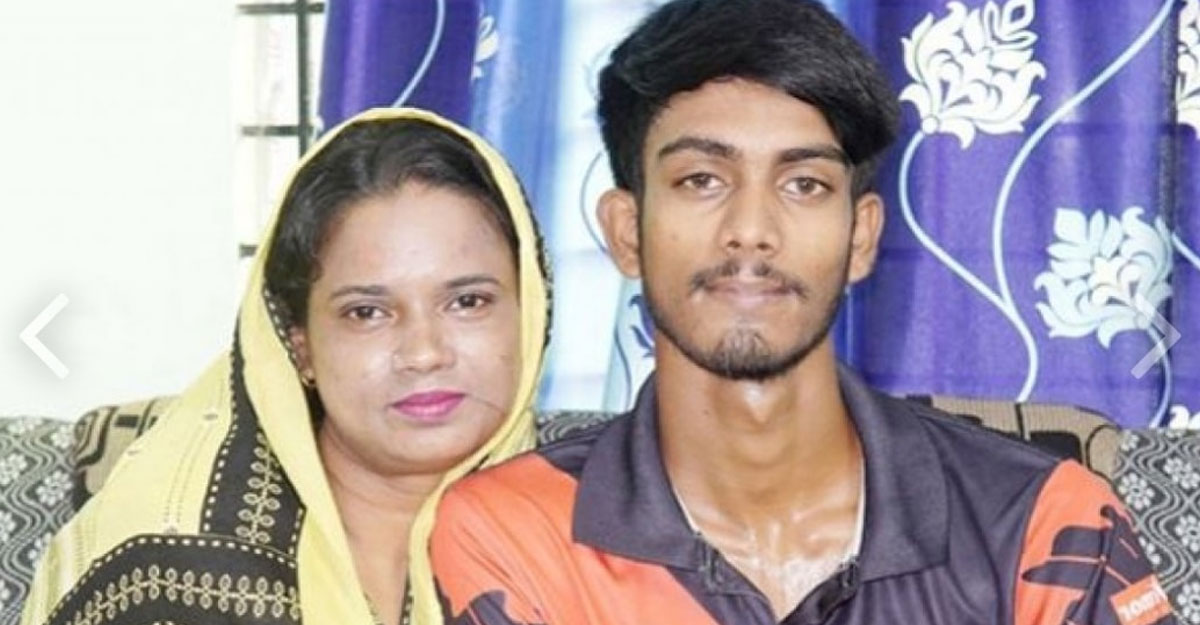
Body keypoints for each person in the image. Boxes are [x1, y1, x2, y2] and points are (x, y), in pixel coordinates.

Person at [429, 1, 1176, 624]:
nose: (751, 229)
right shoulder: (511, 529)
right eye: (701, 179)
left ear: (862, 237)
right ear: (627, 232)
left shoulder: (1040, 520)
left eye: (805, 185)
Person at [21, 108, 550, 625]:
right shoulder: (167, 566)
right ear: (299, 347)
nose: (424, 352)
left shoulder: (584, 531)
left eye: (468, 302)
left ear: (530, 312)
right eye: (367, 312)